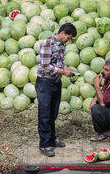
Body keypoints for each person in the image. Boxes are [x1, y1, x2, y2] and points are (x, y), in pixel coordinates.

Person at [35, 23, 77, 157]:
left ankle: (52, 139)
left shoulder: (61, 46)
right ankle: (44, 144)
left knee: (53, 113)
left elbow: (58, 62)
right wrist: (62, 71)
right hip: (45, 83)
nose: (68, 41)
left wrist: (66, 68)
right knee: (45, 114)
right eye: (68, 38)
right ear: (63, 33)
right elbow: (46, 65)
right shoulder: (47, 43)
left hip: (55, 82)